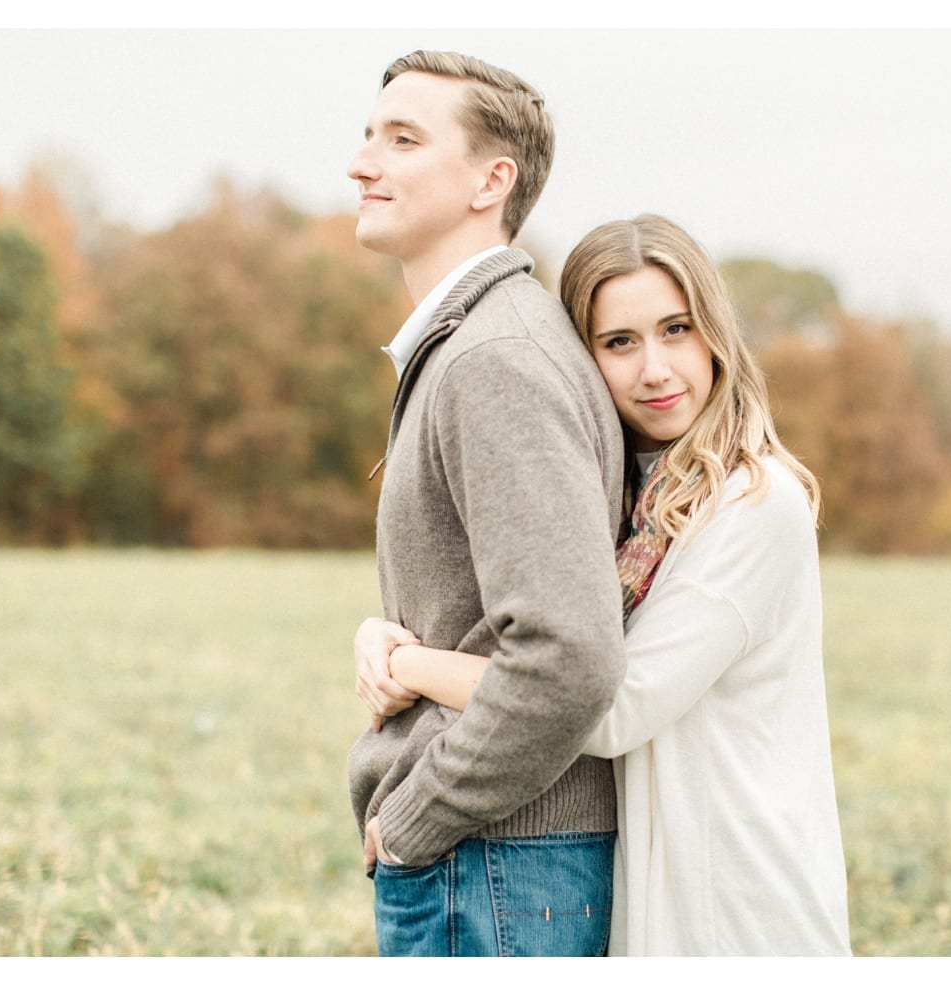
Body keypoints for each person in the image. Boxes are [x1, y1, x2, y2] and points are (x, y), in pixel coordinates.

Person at [357, 214, 853, 956]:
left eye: (676, 329)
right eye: (620, 342)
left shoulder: (753, 504)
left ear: (715, 332)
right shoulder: (628, 501)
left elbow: (606, 699)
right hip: (656, 880)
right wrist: (379, 631)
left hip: (737, 900)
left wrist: (412, 665)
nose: (655, 368)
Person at [343, 50, 627, 958]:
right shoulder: (475, 344)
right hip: (497, 861)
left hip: (495, 860)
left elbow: (568, 655)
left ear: (490, 180)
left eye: (403, 139)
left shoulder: (493, 359)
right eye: (368, 135)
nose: (363, 163)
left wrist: (418, 818)